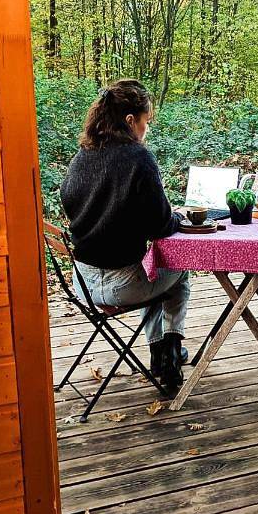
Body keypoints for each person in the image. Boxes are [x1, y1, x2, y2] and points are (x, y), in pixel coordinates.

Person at [60, 79, 189, 392]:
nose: (147, 130)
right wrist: (177, 218)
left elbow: (71, 201)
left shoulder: (83, 156)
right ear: (131, 120)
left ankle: (159, 351)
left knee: (151, 269)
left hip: (83, 284)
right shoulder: (138, 159)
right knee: (179, 273)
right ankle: (167, 356)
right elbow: (160, 226)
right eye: (146, 122)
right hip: (122, 287)